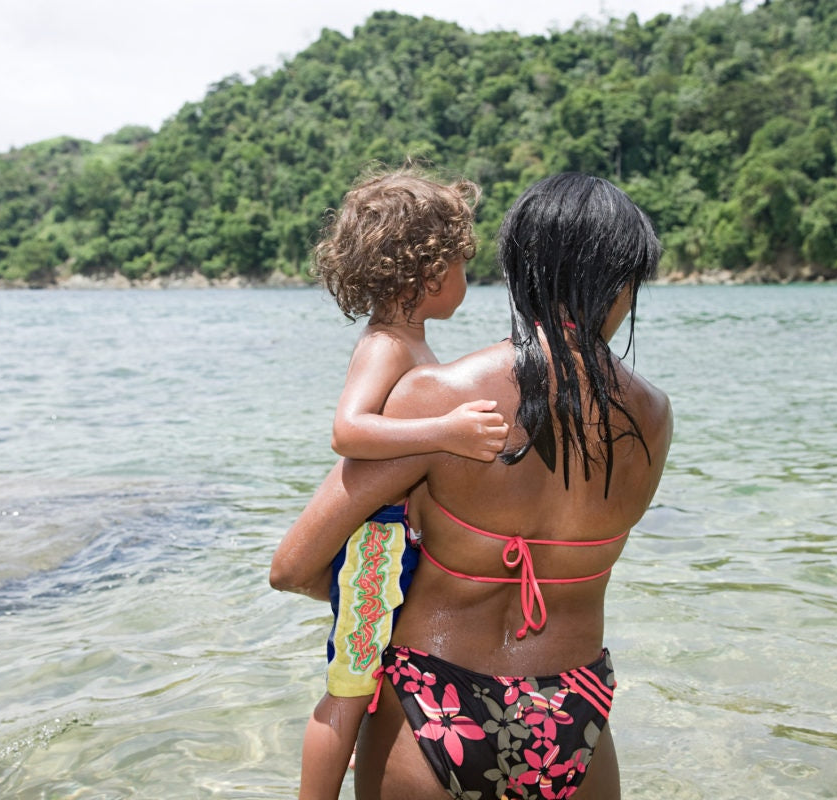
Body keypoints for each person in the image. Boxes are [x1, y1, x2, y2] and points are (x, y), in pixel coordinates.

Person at [271, 172, 672, 799]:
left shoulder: (440, 397)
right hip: (573, 712)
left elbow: (292, 567)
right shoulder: (653, 416)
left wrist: (378, 593)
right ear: (623, 283)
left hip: (434, 705)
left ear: (519, 267)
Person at [299, 168, 511, 800]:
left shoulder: (414, 346)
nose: (466, 281)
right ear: (429, 274)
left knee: (372, 683)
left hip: (399, 545)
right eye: (462, 267)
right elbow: (348, 430)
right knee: (350, 687)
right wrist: (445, 429)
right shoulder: (387, 345)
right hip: (375, 549)